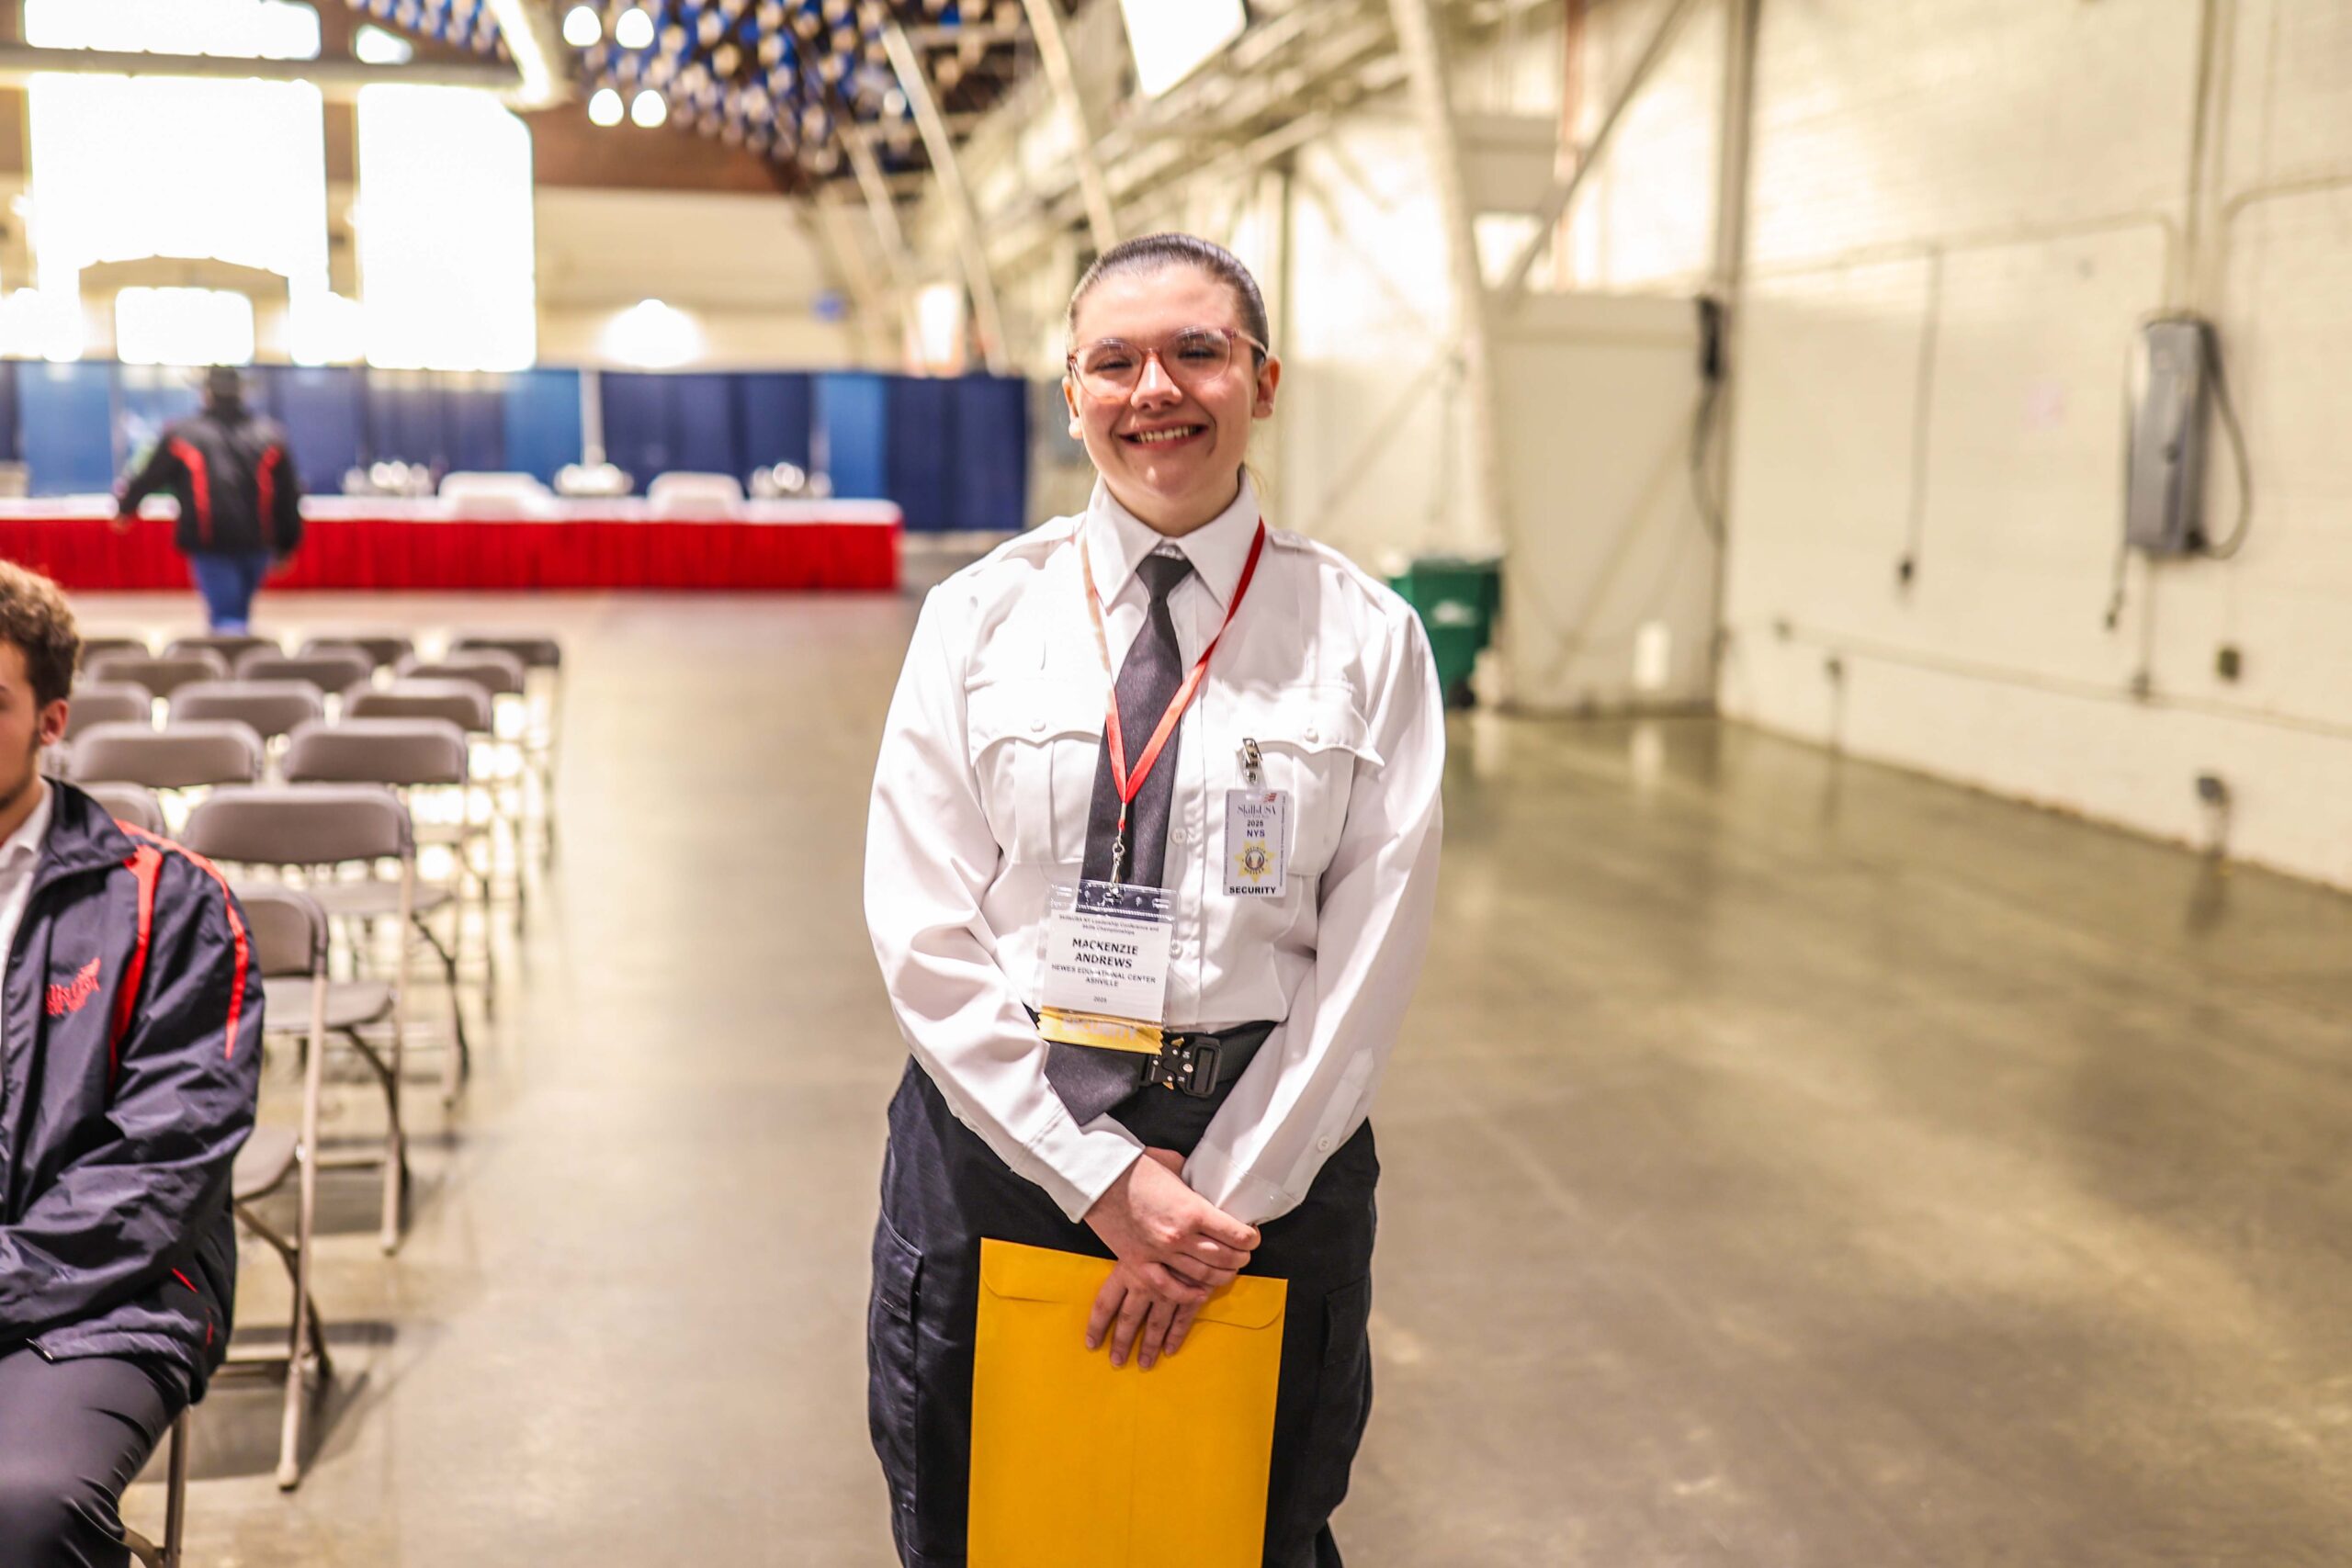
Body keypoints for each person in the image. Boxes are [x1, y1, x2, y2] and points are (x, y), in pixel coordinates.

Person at [865, 233, 1444, 1567]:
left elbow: (1373, 952)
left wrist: (1207, 1207)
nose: (1156, 390)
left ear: (1263, 380)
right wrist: (1097, 1177)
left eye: (1197, 351)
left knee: (1243, 1526)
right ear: (1072, 394)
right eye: (1114, 362)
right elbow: (923, 924)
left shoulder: (1366, 637)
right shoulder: (976, 619)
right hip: (1003, 1144)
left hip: (1261, 1171)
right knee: (982, 1521)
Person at [0, 560, 264, 1567]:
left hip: (107, 1299)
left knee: (20, 1509)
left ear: (50, 720)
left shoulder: (170, 904)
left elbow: (163, 1167)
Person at [112, 367, 304, 633]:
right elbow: (289, 495)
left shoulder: (183, 434)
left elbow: (151, 476)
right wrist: (287, 545)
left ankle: (231, 655)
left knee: (228, 618)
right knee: (237, 612)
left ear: (206, 394)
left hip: (211, 542)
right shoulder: (270, 435)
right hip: (257, 542)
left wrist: (125, 508)